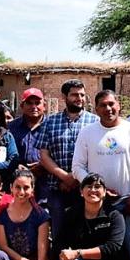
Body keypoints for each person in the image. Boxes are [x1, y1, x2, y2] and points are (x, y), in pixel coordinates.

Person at [71, 90, 130, 260]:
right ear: (96, 109)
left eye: (111, 104)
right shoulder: (87, 132)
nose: (108, 109)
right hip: (97, 204)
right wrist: (97, 189)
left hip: (127, 201)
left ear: (118, 105)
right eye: (103, 105)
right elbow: (77, 167)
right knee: (100, 249)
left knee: (129, 249)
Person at [37, 79, 98, 242]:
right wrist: (64, 177)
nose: (79, 98)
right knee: (59, 232)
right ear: (64, 97)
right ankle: (58, 257)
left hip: (86, 187)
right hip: (57, 188)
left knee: (85, 231)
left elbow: (96, 154)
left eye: (82, 95)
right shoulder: (50, 122)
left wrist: (76, 178)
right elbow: (44, 155)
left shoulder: (94, 122)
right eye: (74, 95)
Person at [8, 87, 46, 180]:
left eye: (37, 103)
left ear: (44, 106)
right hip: (18, 178)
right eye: (29, 103)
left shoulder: (52, 126)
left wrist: (43, 165)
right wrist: (16, 165)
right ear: (22, 106)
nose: (34, 107)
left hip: (46, 179)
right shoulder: (11, 127)